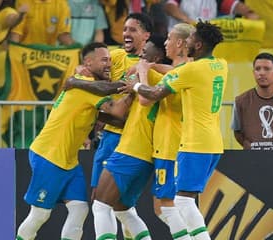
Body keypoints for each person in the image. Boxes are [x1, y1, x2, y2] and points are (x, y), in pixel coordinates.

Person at [120, 20, 227, 240]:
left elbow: (153, 94)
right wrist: (153, 67)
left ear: (198, 45)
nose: (187, 41)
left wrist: (137, 85)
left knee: (182, 201)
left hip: (194, 143)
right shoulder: (221, 64)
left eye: (190, 38)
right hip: (214, 143)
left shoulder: (191, 70)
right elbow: (175, 72)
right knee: (181, 201)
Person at [15, 42, 134, 240]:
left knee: (79, 209)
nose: (109, 65)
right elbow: (118, 111)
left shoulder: (83, 85)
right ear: (88, 62)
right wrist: (132, 86)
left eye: (110, 61)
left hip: (68, 161)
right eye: (104, 60)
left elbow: (111, 119)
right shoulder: (85, 85)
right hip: (49, 156)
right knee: (40, 214)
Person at [67, 12, 154, 239]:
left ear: (146, 36)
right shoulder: (114, 57)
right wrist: (80, 72)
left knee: (102, 202)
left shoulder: (149, 68)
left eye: (133, 30)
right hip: (110, 137)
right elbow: (91, 70)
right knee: (120, 207)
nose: (126, 33)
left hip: (128, 139)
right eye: (125, 29)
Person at [136, 23, 195, 240]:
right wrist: (152, 67)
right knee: (162, 207)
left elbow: (145, 98)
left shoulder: (183, 72)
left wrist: (143, 72)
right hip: (167, 144)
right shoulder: (184, 70)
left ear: (180, 43)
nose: (166, 43)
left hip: (172, 145)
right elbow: (171, 71)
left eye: (169, 38)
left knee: (168, 207)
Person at [231, 52, 273, 150]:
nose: (261, 73)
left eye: (267, 69)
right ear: (253, 73)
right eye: (257, 69)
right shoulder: (241, 101)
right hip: (253, 160)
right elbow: (237, 132)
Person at [10, 0, 76, 46]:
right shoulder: (23, 1)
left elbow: (63, 35)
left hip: (48, 55)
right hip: (25, 53)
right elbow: (16, 33)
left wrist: (76, 48)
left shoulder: (62, 4)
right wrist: (13, 56)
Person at [164, 0, 259, 31]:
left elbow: (234, 6)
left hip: (204, 39)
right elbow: (170, 7)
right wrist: (188, 20)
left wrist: (249, 13)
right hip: (181, 37)